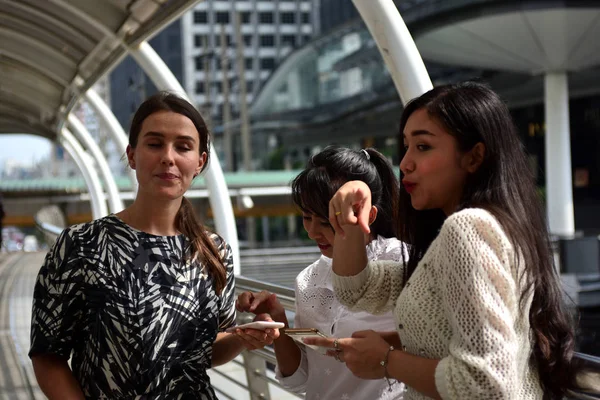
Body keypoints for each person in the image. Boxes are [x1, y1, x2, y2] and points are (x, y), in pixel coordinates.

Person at [305, 82, 598, 399]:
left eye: (423, 147)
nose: (405, 163)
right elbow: (358, 290)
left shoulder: (468, 229)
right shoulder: (495, 225)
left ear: (474, 157)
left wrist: (387, 361)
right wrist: (351, 214)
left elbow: (486, 384)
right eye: (406, 147)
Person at [29, 92, 278, 399]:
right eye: (155, 143)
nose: (168, 157)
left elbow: (206, 351)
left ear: (199, 163)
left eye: (183, 147)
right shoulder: (81, 245)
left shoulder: (214, 251)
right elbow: (47, 354)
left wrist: (243, 337)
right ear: (132, 155)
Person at [236, 146, 406, 400]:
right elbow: (301, 378)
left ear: (368, 215)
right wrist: (277, 316)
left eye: (327, 222)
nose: (312, 232)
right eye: (306, 217)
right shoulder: (308, 279)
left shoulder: (404, 263)